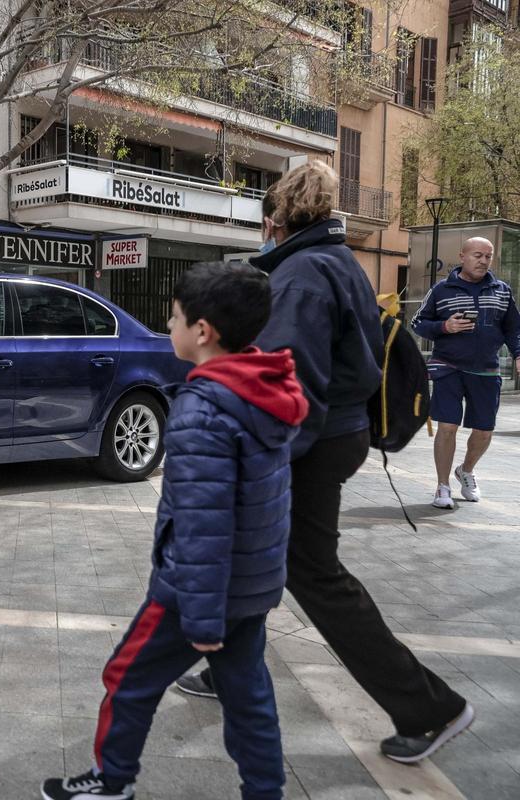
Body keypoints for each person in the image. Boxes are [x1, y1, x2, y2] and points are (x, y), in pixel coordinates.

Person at [175, 162, 473, 764]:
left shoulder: (303, 275)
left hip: (313, 441)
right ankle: (227, 669)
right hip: (338, 434)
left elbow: (293, 386)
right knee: (257, 554)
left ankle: (429, 707)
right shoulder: (337, 263)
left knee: (313, 574)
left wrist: (260, 461)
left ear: (274, 220)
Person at [42, 262, 307, 800]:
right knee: (248, 695)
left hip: (195, 593)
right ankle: (266, 792)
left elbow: (203, 525)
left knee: (127, 678)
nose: (168, 327)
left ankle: (111, 780)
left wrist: (203, 618)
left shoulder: (202, 412)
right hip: (250, 584)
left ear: (203, 332)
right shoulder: (265, 391)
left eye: (174, 318)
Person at [410, 237, 520, 508]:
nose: (483, 260)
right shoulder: (441, 289)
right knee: (448, 426)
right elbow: (418, 322)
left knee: (484, 431)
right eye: (477, 255)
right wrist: (444, 327)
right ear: (462, 256)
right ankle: (442, 486)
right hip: (448, 366)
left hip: (486, 370)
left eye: (488, 256)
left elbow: (513, 329)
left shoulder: (502, 291)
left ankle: (466, 470)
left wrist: (519, 354)